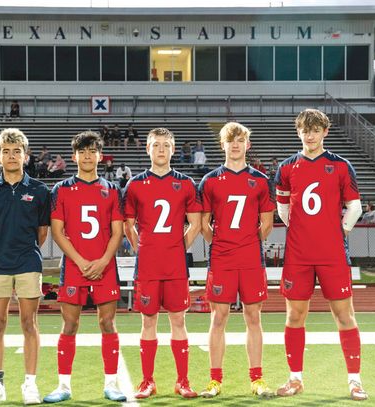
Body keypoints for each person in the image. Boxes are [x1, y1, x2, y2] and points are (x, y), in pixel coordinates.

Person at [274, 109, 366, 401]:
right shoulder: (287, 167)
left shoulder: (340, 165)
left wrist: (338, 231)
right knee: (295, 315)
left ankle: (355, 381)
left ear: (325, 132)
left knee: (344, 315)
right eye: (304, 130)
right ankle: (295, 379)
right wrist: (303, 230)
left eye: (315, 130)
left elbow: (354, 206)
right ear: (298, 132)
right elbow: (283, 208)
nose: (309, 135)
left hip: (332, 254)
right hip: (298, 254)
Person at [44, 131, 126, 403]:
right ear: (74, 156)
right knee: (69, 324)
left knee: (107, 323)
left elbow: (117, 232)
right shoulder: (61, 189)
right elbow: (58, 231)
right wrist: (80, 261)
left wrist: (102, 261)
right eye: (83, 151)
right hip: (74, 267)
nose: (88, 156)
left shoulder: (112, 189)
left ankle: (111, 383)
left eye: (93, 151)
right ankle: (64, 386)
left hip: (105, 268)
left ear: (100, 156)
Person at [123, 128, 202, 399]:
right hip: (147, 266)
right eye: (156, 145)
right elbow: (128, 224)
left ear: (172, 149)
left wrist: (178, 247)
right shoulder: (134, 185)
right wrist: (141, 248)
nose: (161, 150)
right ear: (147, 149)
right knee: (148, 321)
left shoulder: (186, 184)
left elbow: (196, 223)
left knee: (178, 320)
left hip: (175, 266)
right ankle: (147, 381)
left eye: (166, 145)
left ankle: (183, 380)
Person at [198, 122, 275, 398]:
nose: (235, 145)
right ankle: (215, 380)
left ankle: (257, 379)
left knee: (253, 317)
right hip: (221, 259)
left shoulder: (261, 180)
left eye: (240, 140)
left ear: (247, 145)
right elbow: (204, 223)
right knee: (218, 318)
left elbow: (267, 223)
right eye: (230, 140)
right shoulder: (210, 181)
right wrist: (221, 244)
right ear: (223, 145)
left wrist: (248, 242)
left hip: (251, 259)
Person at [0, 128, 50, 405]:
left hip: (28, 262)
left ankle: (30, 384)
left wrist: (22, 249)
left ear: (25, 155)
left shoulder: (40, 190)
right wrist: (3, 248)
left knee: (29, 323)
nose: (11, 156)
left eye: (16, 151)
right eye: (6, 151)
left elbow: (42, 233)